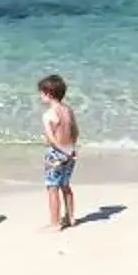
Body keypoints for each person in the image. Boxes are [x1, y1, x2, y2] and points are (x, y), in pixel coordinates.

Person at [38, 74, 80, 230]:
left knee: (52, 188)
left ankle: (54, 222)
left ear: (48, 94)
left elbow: (51, 138)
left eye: (41, 93)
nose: (40, 96)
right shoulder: (68, 110)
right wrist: (71, 148)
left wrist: (56, 146)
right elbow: (75, 131)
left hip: (56, 154)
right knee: (65, 185)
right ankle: (70, 218)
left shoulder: (48, 114)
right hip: (70, 151)